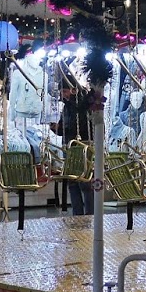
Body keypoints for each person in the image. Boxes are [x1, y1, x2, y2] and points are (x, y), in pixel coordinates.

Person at [56, 79, 95, 216]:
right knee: (73, 182)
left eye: (65, 92)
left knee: (85, 182)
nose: (63, 95)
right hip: (70, 146)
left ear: (73, 90)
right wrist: (58, 129)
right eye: (62, 92)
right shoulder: (67, 106)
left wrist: (62, 128)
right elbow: (66, 128)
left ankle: (89, 214)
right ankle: (77, 215)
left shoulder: (82, 105)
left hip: (81, 146)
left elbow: (80, 126)